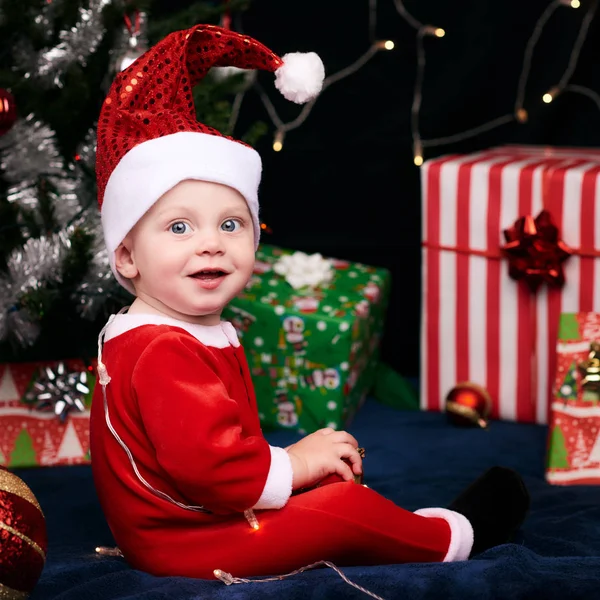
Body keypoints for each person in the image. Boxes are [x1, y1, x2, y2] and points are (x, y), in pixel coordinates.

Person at [90, 23, 530, 580]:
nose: (210, 243)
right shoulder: (160, 349)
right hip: (185, 539)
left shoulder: (182, 327)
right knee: (338, 507)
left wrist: (297, 464)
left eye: (231, 224)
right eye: (178, 226)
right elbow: (209, 468)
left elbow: (220, 445)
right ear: (127, 257)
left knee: (327, 479)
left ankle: (388, 526)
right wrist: (292, 463)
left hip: (202, 513)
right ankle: (449, 538)